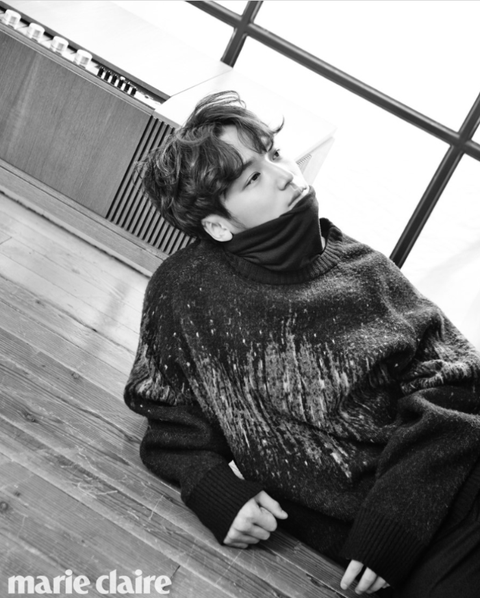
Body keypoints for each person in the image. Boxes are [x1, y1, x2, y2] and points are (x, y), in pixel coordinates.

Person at [124, 90, 480, 596]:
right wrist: (211, 487)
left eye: (273, 153)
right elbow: (164, 406)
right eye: (252, 177)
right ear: (217, 225)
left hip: (451, 497)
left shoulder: (366, 273)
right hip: (383, 548)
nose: (285, 174)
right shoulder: (185, 290)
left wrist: (396, 520)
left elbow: (458, 384)